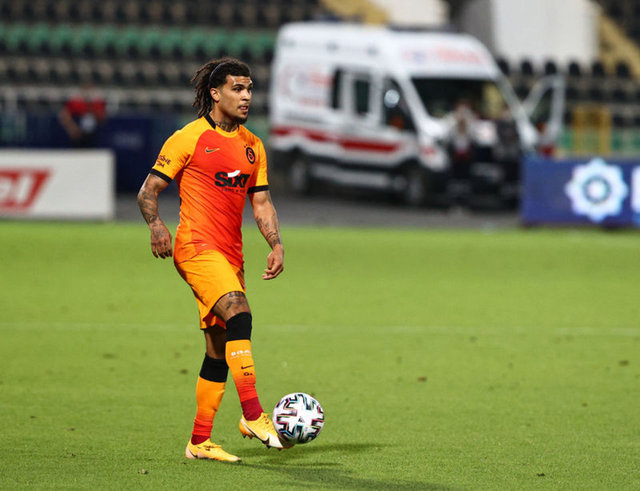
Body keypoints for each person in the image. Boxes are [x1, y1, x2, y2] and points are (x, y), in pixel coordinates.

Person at [137, 57, 286, 463]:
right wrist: (156, 225)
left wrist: (275, 243)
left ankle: (199, 441)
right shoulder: (189, 138)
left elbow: (262, 202)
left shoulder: (254, 146)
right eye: (238, 89)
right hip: (196, 247)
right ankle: (253, 415)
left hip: (231, 255)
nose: (246, 96)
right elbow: (148, 191)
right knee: (239, 313)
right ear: (215, 93)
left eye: (250, 89)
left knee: (218, 349)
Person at [58, 82, 106, 148]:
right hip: (78, 133)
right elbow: (64, 115)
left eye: (90, 90)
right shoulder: (75, 102)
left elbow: (103, 117)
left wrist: (92, 109)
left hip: (94, 134)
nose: (88, 93)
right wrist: (72, 128)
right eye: (86, 90)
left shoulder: (97, 102)